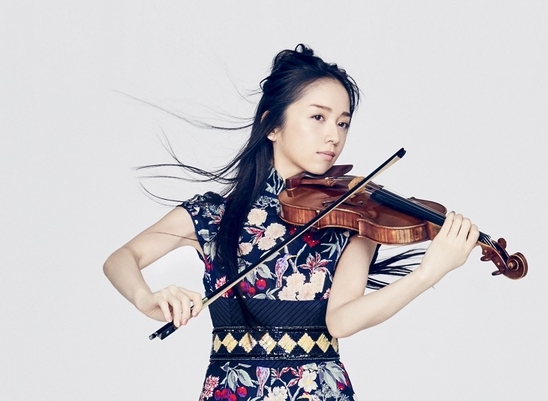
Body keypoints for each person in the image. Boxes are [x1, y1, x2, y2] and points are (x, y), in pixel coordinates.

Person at [103, 44, 479, 401]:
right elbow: (122, 258)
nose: (334, 136)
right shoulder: (215, 215)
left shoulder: (350, 218)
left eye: (343, 123)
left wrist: (428, 273)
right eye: (318, 117)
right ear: (272, 125)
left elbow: (342, 321)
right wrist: (146, 298)